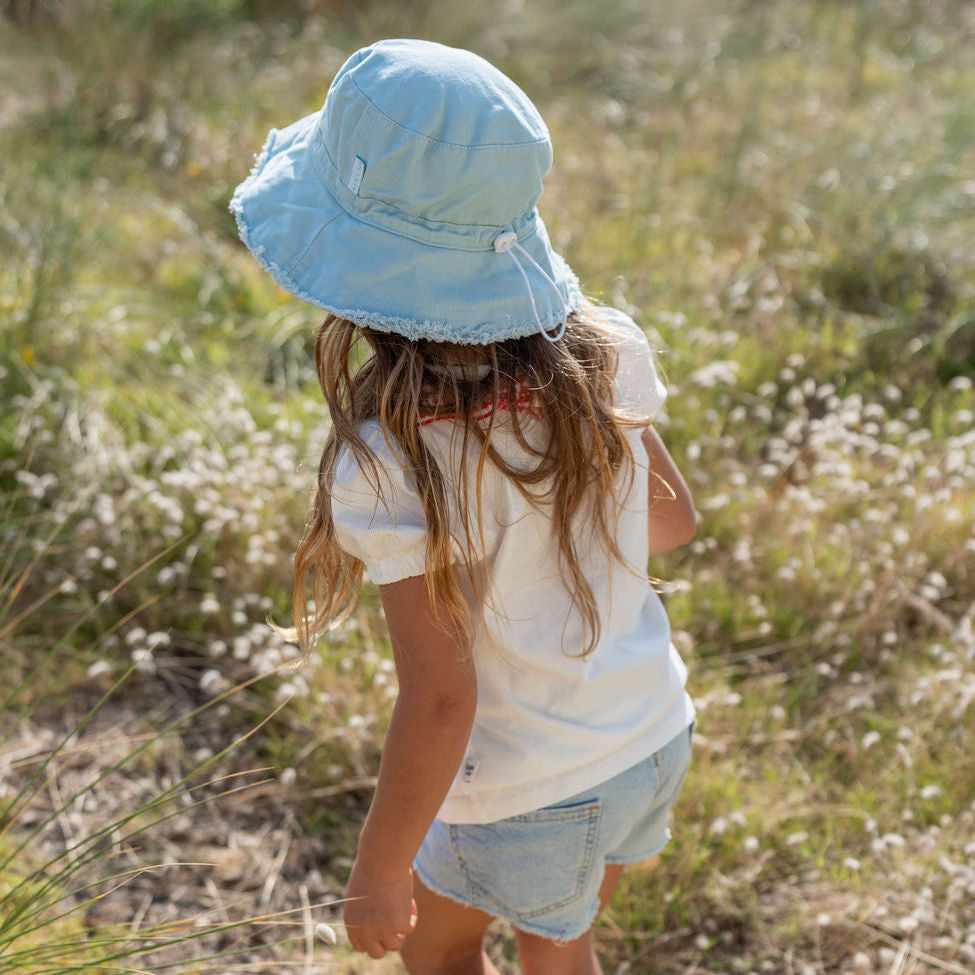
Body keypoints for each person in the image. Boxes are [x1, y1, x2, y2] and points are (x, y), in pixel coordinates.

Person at [231, 38, 697, 975]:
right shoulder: (602, 350)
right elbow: (671, 524)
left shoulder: (392, 455)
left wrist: (377, 867)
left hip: (525, 790)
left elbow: (443, 699)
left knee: (442, 946)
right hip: (648, 735)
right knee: (559, 931)